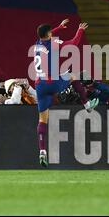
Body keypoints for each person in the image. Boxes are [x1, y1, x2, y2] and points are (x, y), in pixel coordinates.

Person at [33, 19, 99, 167]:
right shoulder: (53, 43)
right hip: (53, 82)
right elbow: (73, 43)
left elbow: (46, 35)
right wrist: (80, 30)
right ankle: (87, 104)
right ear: (48, 34)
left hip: (39, 85)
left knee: (42, 120)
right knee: (73, 76)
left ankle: (42, 151)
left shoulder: (37, 44)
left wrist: (59, 27)